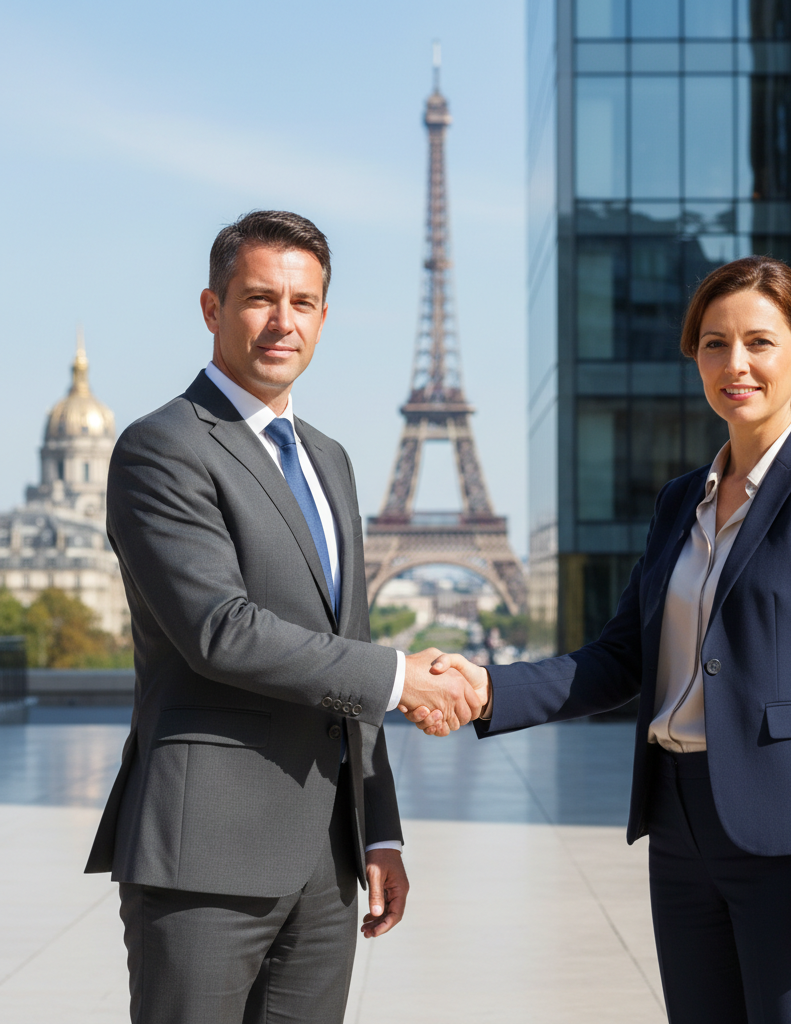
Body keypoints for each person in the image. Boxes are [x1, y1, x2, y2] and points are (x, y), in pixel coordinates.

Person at [409, 255, 791, 1023]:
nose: (735, 365)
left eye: (759, 343)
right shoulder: (681, 502)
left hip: (788, 838)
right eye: (714, 344)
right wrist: (486, 688)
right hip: (678, 828)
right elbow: (619, 660)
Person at [85, 210, 486, 1024]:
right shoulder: (163, 447)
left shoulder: (330, 459)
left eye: (302, 303)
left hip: (327, 863)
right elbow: (220, 630)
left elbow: (349, 646)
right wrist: (404, 679)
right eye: (259, 299)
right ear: (212, 308)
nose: (283, 322)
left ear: (324, 318)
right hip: (206, 854)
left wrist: (380, 832)